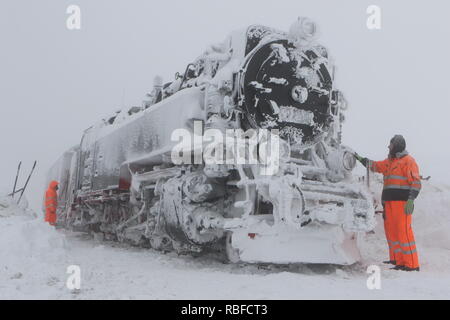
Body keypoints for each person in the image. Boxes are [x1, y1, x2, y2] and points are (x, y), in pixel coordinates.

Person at [354, 135, 421, 272]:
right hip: (389, 203)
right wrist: (361, 159)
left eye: (390, 145)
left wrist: (411, 200)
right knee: (392, 233)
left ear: (396, 146)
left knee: (404, 232)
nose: (388, 147)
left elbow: (416, 183)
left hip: (402, 203)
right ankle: (398, 260)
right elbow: (375, 166)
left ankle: (412, 264)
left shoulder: (409, 161)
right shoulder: (389, 162)